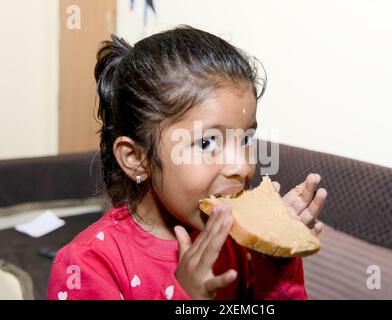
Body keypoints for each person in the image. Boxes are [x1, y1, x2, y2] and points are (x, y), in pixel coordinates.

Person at [47, 25, 327, 300]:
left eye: (245, 140)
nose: (243, 166)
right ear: (136, 159)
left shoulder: (241, 242)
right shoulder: (87, 264)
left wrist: (277, 262)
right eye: (207, 143)